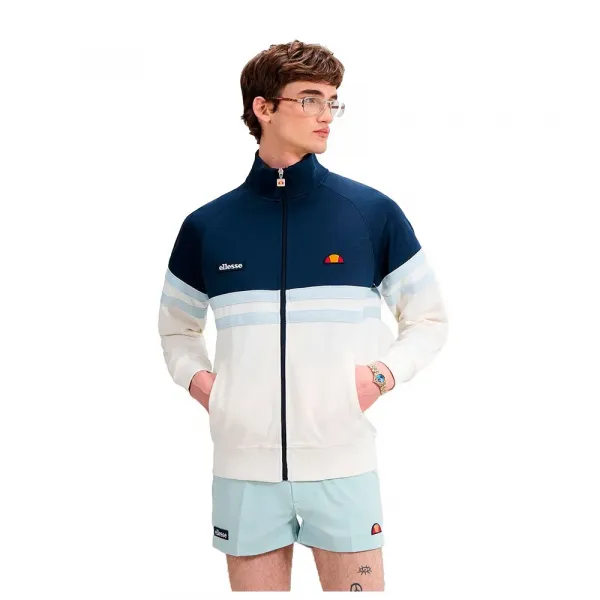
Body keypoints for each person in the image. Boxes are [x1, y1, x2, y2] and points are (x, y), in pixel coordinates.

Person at [158, 40, 448, 592]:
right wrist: (203, 384)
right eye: (310, 99)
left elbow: (428, 319)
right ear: (263, 108)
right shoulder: (208, 226)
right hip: (243, 470)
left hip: (343, 465)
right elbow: (177, 327)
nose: (326, 115)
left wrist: (380, 376)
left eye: (333, 101)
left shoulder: (370, 214)